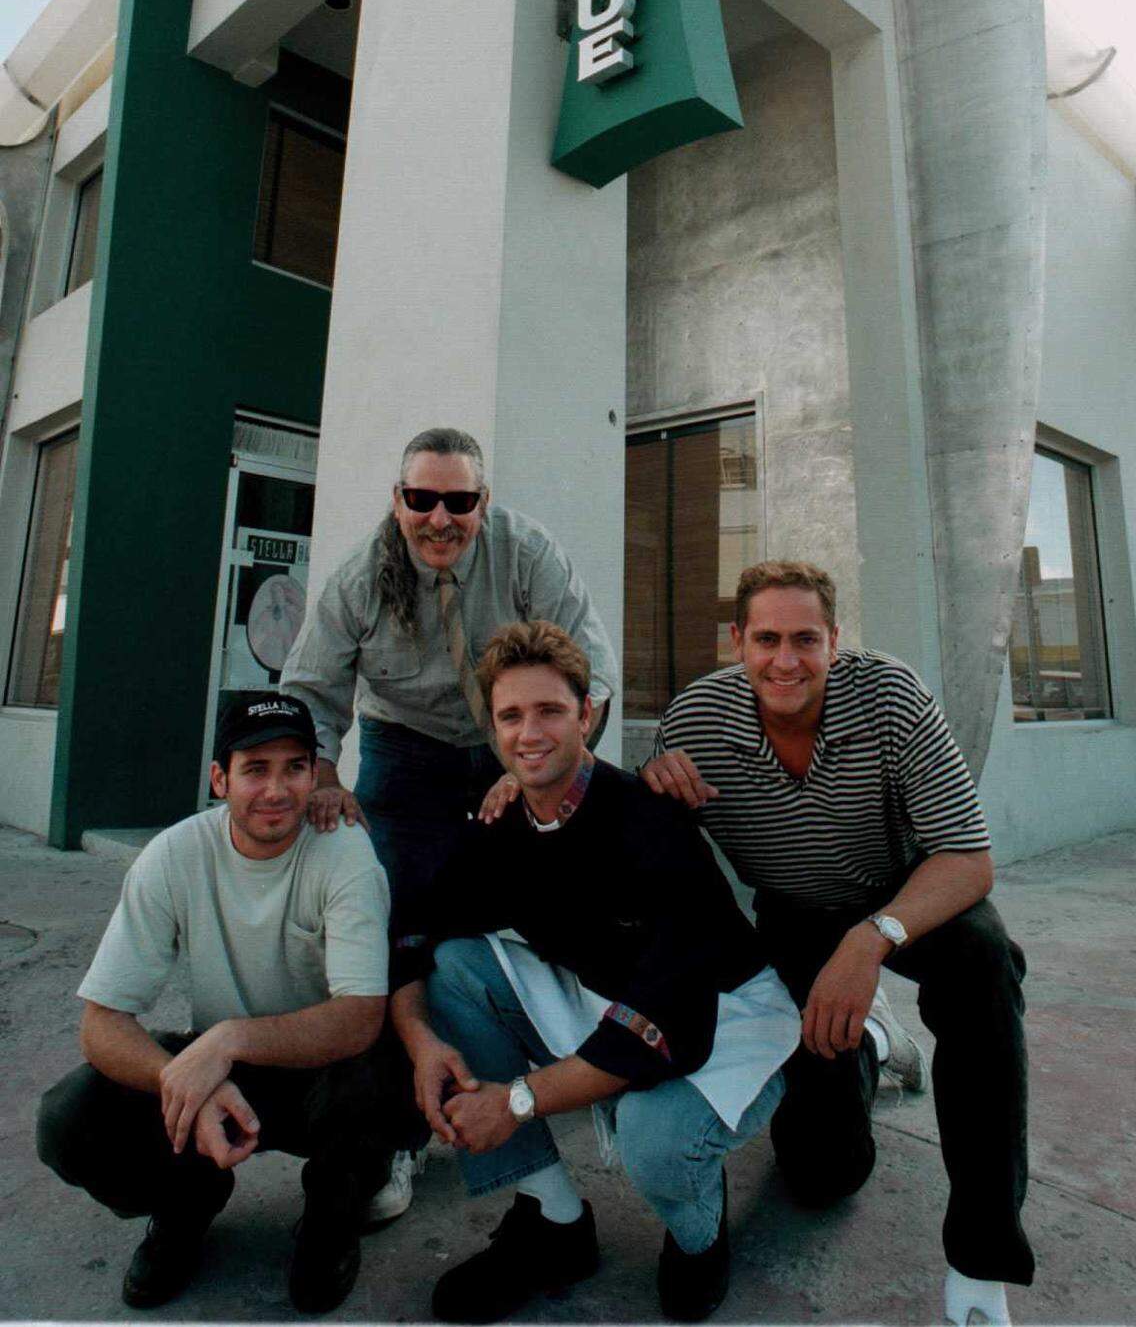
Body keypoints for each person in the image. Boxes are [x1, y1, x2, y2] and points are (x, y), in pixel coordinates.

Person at [643, 561, 1033, 1327]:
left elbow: (969, 855)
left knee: (985, 966)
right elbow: (630, 835)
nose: (785, 660)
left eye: (805, 639)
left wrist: (871, 939)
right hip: (793, 912)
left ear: (834, 642)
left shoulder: (888, 694)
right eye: (766, 639)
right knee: (821, 1175)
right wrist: (650, 781)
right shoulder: (693, 723)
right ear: (736, 642)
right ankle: (873, 1041)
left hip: (908, 893)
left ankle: (981, 1268)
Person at [391, 621, 801, 1325]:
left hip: (727, 1017)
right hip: (609, 997)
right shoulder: (502, 822)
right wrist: (420, 1041)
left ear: (588, 715)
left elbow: (666, 1021)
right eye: (511, 716)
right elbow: (418, 933)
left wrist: (515, 1100)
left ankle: (698, 1232)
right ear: (491, 732)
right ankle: (553, 1218)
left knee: (654, 1137)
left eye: (550, 711)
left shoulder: (649, 822)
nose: (530, 733)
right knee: (456, 969)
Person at [280, 425, 617, 1220]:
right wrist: (325, 774)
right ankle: (400, 1131)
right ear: (398, 500)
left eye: (458, 501)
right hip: (408, 748)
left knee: (556, 907)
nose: (440, 518)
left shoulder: (528, 552)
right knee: (399, 926)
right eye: (421, 499)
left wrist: (534, 765)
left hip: (515, 740)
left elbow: (593, 671)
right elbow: (310, 689)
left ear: (482, 502)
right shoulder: (363, 575)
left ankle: (575, 1073)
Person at [36, 692, 396, 1316]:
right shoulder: (175, 855)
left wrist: (227, 1039)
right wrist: (185, 1082)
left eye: (295, 767)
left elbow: (360, 1015)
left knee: (380, 1078)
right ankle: (186, 1205)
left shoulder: (345, 855)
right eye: (255, 769)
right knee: (68, 1119)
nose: (278, 789)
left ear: (316, 773)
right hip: (220, 1079)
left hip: (322, 1072)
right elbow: (101, 1022)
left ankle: (328, 1224)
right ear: (219, 778)